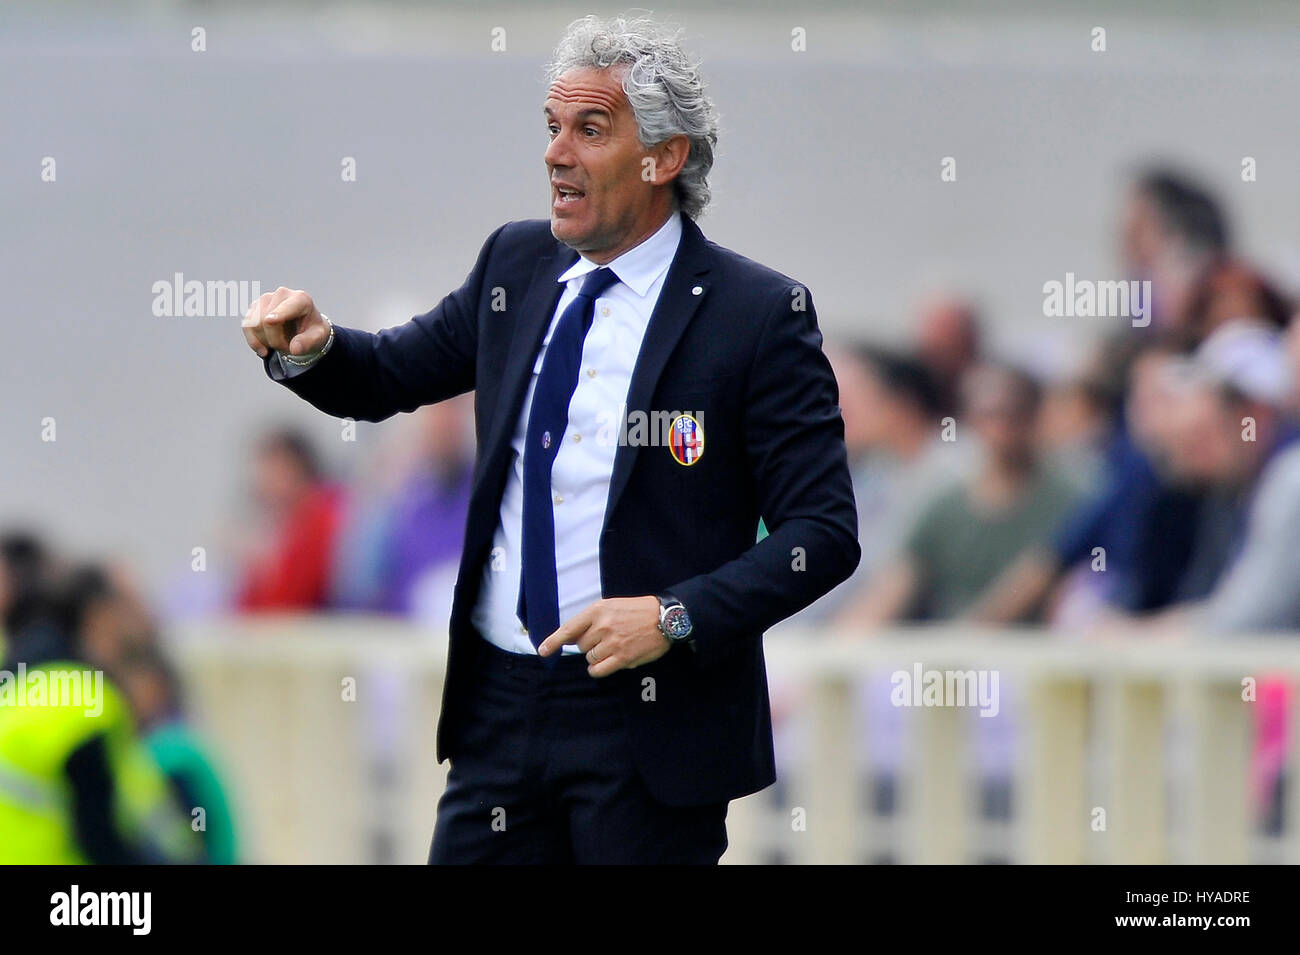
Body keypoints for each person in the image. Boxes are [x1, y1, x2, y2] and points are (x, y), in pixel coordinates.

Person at [240, 14, 859, 864]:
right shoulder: (516, 266)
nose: (555, 154)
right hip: (498, 705)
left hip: (646, 721)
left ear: (665, 158)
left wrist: (675, 616)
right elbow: (387, 375)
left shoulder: (758, 316)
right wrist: (314, 351)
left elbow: (821, 535)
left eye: (589, 129)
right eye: (552, 128)